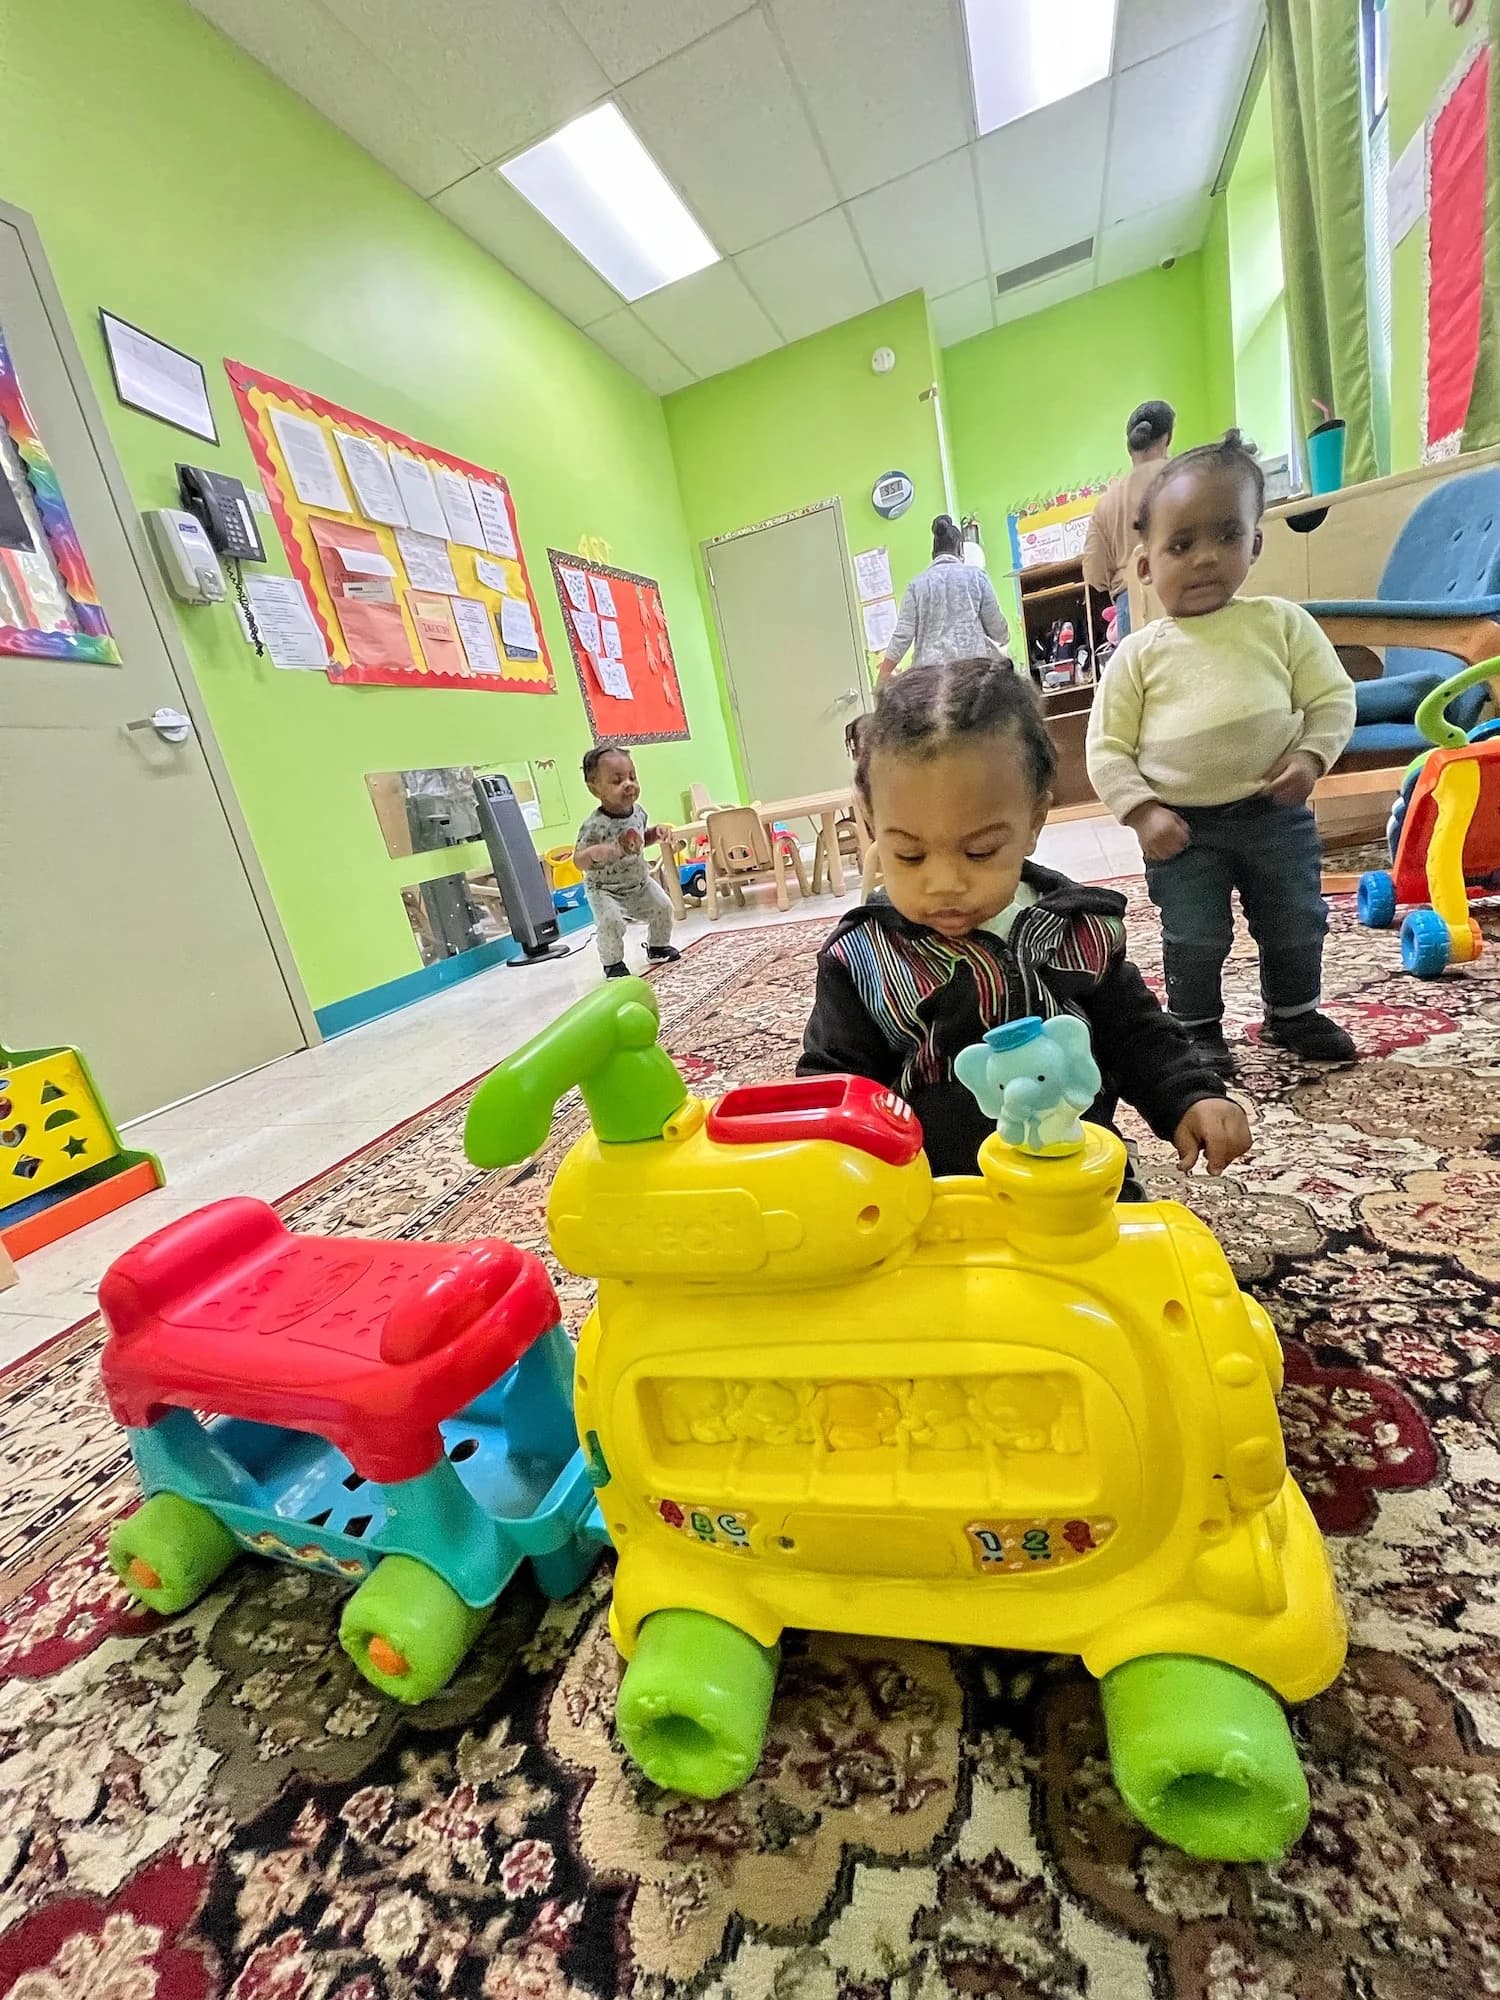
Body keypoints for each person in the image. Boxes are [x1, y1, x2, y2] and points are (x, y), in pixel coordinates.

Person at [799, 658, 1249, 1182]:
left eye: (981, 851)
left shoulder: (1078, 931)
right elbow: (834, 1077)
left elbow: (1137, 1035)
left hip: (1076, 1182)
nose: (944, 882)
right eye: (910, 856)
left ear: (1034, 822)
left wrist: (1190, 1096)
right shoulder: (861, 957)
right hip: (934, 1198)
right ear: (874, 826)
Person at [1086, 430, 1357, 1077]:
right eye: (1181, 545)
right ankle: (1197, 1029)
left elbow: (1332, 699)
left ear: (1254, 543)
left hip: (1274, 813)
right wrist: (1143, 812)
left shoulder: (1281, 623)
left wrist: (1312, 759)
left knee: (1296, 919)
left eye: (1226, 536)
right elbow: (1107, 749)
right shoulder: (1138, 655)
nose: (1205, 558)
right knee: (1195, 937)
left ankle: (1294, 1014)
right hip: (1182, 829)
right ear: (1146, 565)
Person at [574, 744, 681, 980]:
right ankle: (612, 963)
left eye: (632, 777)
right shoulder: (594, 825)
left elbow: (642, 838)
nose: (629, 784)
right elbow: (578, 861)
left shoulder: (638, 813)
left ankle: (657, 947)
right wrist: (594, 853)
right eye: (617, 780)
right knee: (611, 922)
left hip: (639, 883)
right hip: (605, 890)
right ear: (595, 788)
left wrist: (657, 832)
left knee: (663, 907)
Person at [877, 516, 1011, 685]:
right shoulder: (977, 577)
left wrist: (883, 676)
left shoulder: (916, 586)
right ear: (960, 550)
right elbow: (998, 630)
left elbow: (902, 636)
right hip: (972, 677)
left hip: (930, 682)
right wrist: (1004, 637)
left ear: (933, 553)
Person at [1082, 400, 1175, 639]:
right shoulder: (1188, 478)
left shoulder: (1107, 502)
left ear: (1129, 447)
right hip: (1186, 593)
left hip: (1132, 606)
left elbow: (1094, 574)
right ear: (1167, 438)